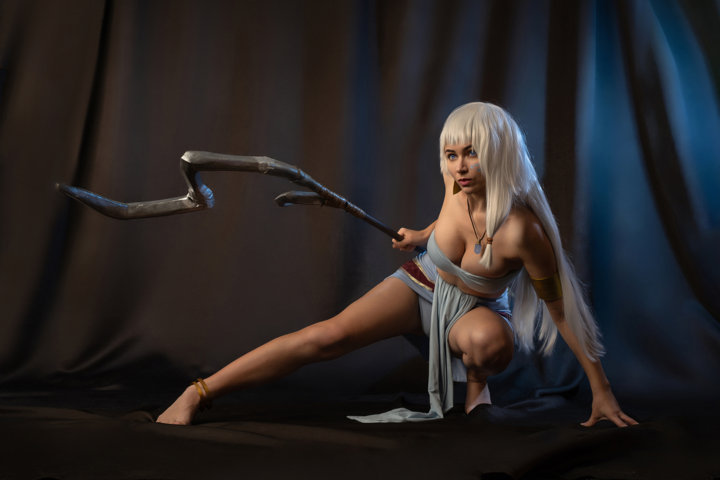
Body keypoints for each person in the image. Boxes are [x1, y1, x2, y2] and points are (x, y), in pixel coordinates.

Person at [157, 102, 637, 427]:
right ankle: (199, 392)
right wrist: (424, 236)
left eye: (472, 154)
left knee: (489, 345)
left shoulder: (523, 232)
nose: (459, 166)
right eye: (452, 154)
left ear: (500, 153)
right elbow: (450, 220)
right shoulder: (457, 184)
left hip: (473, 312)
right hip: (420, 284)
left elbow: (561, 312)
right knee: (325, 338)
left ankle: (476, 384)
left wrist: (601, 390)